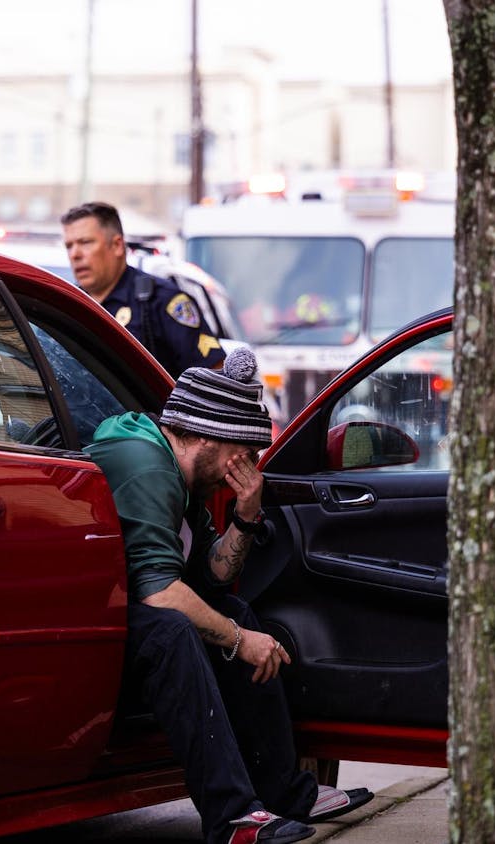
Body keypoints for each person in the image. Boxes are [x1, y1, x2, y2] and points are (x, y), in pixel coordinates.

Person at [84, 347, 370, 844]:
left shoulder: (182, 478)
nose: (251, 463)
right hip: (97, 633)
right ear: (220, 439)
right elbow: (158, 595)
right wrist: (241, 641)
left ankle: (285, 793)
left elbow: (214, 578)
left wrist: (247, 512)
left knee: (232, 609)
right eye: (249, 452)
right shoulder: (148, 465)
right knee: (180, 630)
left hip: (138, 622)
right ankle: (231, 816)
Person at [61, 201, 226, 377]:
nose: (75, 254)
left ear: (117, 245)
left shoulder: (161, 300)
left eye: (85, 242)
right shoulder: (68, 305)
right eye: (69, 246)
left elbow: (214, 374)